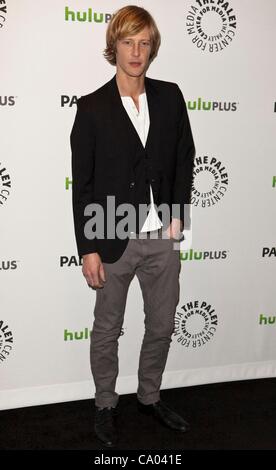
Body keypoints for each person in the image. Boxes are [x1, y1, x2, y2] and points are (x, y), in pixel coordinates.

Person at [70, 5, 195, 448]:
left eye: (144, 42)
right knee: (108, 328)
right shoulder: (91, 108)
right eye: (128, 42)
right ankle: (106, 404)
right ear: (114, 46)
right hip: (109, 233)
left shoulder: (171, 95)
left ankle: (149, 396)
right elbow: (81, 186)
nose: (136, 51)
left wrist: (179, 215)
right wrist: (87, 247)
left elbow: (184, 159)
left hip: (163, 234)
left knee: (162, 324)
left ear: (152, 47)